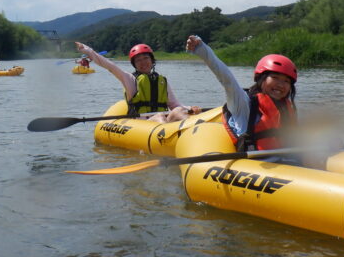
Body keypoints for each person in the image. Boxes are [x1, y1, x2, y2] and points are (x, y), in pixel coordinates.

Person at [185, 35, 324, 168]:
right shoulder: (244, 103)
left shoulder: (286, 108)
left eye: (286, 81)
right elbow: (226, 78)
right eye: (275, 77)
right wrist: (202, 49)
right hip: (257, 169)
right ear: (261, 78)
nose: (281, 85)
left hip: (287, 163)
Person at [75, 41, 201, 123]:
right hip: (142, 123)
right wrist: (87, 51)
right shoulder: (129, 79)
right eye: (138, 60)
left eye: (146, 58)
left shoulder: (161, 81)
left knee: (178, 112)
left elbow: (174, 104)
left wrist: (189, 108)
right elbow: (110, 66)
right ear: (134, 64)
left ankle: (196, 129)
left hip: (163, 118)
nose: (143, 62)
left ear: (152, 61)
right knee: (160, 117)